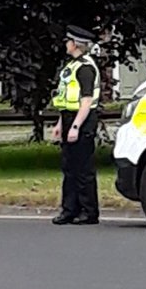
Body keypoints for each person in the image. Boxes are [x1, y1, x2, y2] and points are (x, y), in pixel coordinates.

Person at [51, 24, 101, 226]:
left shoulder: (86, 68)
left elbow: (86, 100)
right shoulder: (72, 66)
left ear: (76, 44)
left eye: (68, 41)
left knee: (83, 169)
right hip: (70, 118)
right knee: (69, 167)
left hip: (83, 120)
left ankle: (89, 212)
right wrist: (60, 123)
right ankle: (69, 210)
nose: (66, 44)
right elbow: (67, 100)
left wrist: (76, 127)